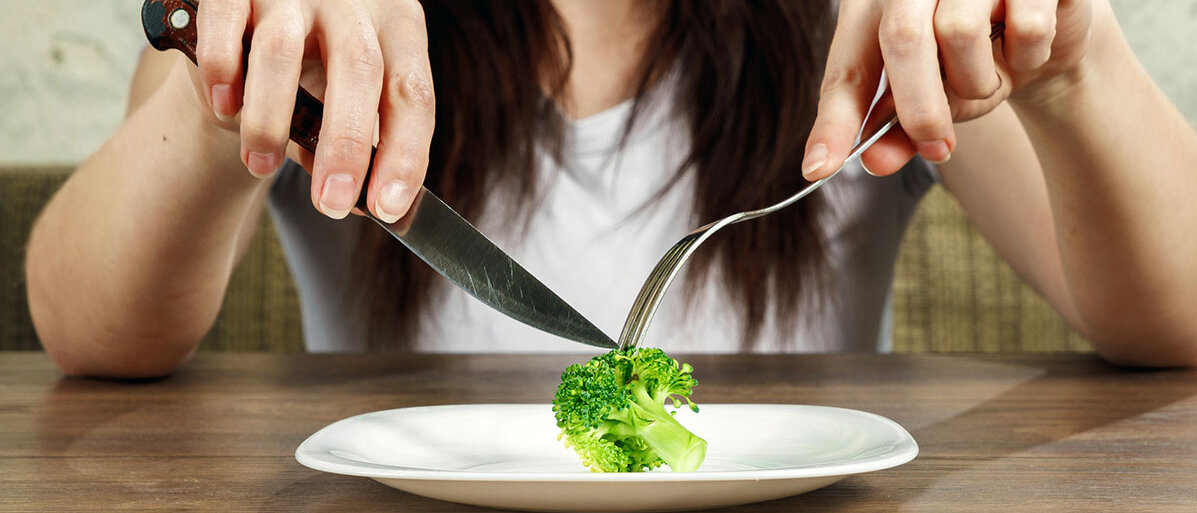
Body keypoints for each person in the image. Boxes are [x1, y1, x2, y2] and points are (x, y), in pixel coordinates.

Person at [25, 0, 1197, 378]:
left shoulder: (863, 20)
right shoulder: (343, 18)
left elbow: (1178, 317)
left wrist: (1076, 59)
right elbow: (90, 329)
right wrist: (223, 80)